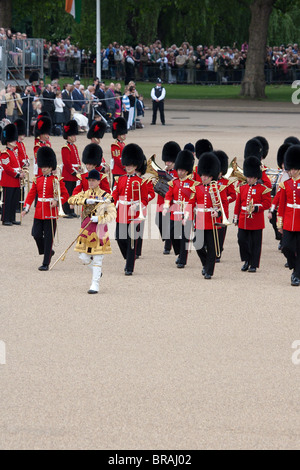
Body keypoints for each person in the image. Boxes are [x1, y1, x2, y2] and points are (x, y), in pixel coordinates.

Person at [68, 169, 116, 294]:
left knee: (98, 258)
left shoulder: (106, 196)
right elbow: (71, 200)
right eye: (89, 180)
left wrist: (99, 218)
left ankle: (95, 284)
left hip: (99, 229)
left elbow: (112, 214)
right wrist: (84, 201)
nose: (91, 182)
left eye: (93, 180)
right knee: (83, 256)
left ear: (99, 181)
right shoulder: (85, 194)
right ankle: (97, 272)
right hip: (86, 229)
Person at [21, 147, 69, 271]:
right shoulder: (38, 179)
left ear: (51, 167)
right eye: (42, 167)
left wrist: (57, 201)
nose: (44, 169)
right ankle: (48, 251)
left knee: (48, 238)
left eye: (46, 167)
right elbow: (31, 194)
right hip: (38, 212)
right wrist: (26, 208)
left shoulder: (57, 180)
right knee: (35, 234)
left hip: (51, 212)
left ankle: (45, 263)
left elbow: (65, 195)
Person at [184, 152, 225, 279]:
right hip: (200, 220)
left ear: (211, 176)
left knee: (212, 248)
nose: (203, 178)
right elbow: (191, 203)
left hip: (212, 221)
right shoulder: (197, 188)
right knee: (197, 244)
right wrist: (186, 216)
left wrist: (217, 212)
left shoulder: (218, 188)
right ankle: (206, 264)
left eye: (205, 176)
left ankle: (209, 271)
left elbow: (223, 205)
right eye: (202, 175)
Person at [112, 143, 148, 275]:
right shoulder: (120, 179)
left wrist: (137, 205)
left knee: (131, 240)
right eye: (127, 165)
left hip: (133, 214)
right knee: (119, 237)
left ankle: (129, 267)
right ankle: (129, 257)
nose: (128, 167)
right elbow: (115, 194)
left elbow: (144, 199)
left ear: (135, 166)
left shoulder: (140, 181)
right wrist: (112, 204)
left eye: (131, 165)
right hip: (121, 211)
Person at [234, 156, 272, 273]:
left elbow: (266, 204)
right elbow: (238, 205)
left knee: (256, 244)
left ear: (256, 177)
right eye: (248, 176)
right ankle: (246, 260)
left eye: (251, 177)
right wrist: (235, 217)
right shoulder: (242, 188)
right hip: (244, 218)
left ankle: (253, 264)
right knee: (241, 240)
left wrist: (256, 208)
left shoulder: (263, 189)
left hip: (256, 220)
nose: (249, 179)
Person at [162, 149, 196, 269]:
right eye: (179, 169)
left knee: (184, 237)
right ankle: (178, 253)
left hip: (186, 211)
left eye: (182, 170)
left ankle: (182, 259)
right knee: (172, 234)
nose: (180, 172)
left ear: (187, 171)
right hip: (175, 211)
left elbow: (192, 198)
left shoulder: (192, 184)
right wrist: (166, 206)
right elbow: (168, 196)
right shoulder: (173, 182)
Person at [277, 145, 300, 286]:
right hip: (289, 221)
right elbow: (282, 206)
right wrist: (279, 224)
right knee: (286, 247)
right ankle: (294, 267)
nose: (291, 171)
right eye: (290, 169)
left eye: (293, 169)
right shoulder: (285, 184)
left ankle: (296, 275)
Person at [155, 141, 180, 255]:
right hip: (161, 201)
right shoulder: (162, 171)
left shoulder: (178, 173)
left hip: (172, 202)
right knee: (159, 222)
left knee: (169, 224)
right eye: (166, 160)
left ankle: (167, 246)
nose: (167, 162)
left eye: (170, 160)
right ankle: (167, 239)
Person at [268, 142, 291, 250]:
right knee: (274, 222)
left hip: (289, 207)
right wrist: (271, 209)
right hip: (278, 205)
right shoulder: (279, 175)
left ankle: (284, 241)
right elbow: (276, 193)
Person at [214, 149, 236, 261]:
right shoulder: (209, 182)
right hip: (211, 211)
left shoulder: (227, 182)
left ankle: (219, 251)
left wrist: (225, 200)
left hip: (223, 212)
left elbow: (233, 195)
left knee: (220, 233)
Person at [0, 123, 25, 225]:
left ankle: (12, 218)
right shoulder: (5, 153)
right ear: (9, 141)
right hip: (9, 180)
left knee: (14, 200)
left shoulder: (14, 152)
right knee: (8, 200)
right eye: (13, 139)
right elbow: (7, 168)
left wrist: (21, 171)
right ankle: (6, 219)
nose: (15, 141)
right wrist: (17, 174)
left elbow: (17, 165)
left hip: (15, 180)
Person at [61, 119, 81, 218]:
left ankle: (71, 210)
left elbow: (77, 160)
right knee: (67, 193)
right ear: (69, 136)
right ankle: (66, 210)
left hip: (74, 174)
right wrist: (74, 172)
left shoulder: (74, 147)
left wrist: (80, 168)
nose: (74, 137)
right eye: (73, 135)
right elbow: (67, 163)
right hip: (68, 175)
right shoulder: (66, 148)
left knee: (73, 193)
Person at [110, 117, 127, 188]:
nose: (125, 135)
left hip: (123, 171)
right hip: (118, 171)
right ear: (119, 135)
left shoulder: (123, 144)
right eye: (123, 134)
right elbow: (117, 159)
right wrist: (125, 167)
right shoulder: (115, 145)